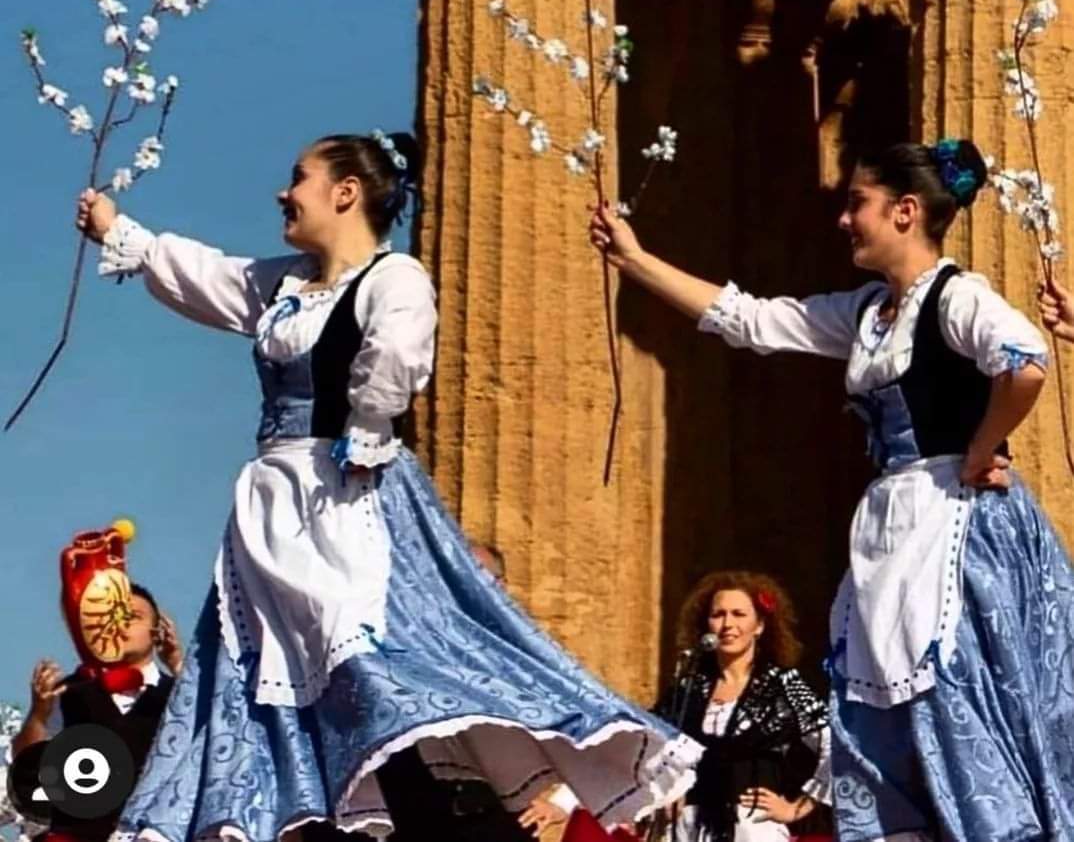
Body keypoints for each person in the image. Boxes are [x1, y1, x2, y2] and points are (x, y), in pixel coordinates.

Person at [75, 131, 700, 842]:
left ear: (346, 192)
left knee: (368, 668)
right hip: (271, 510)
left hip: (348, 499)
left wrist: (369, 424)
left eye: (299, 177)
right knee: (275, 686)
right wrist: (118, 230)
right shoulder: (281, 286)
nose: (285, 192)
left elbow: (397, 353)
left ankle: (455, 821)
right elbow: (209, 274)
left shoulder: (391, 277)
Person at [589, 138, 1074, 841]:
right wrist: (636, 262)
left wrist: (978, 447)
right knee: (885, 712)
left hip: (956, 526)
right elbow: (751, 319)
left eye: (858, 203)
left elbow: (1025, 361)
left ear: (906, 212)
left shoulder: (956, 295)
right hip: (892, 529)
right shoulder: (868, 313)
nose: (844, 219)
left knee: (959, 705)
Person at [654, 572, 829, 842]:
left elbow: (837, 748)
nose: (727, 624)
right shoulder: (688, 689)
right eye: (718, 614)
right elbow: (648, 742)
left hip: (753, 828)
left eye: (739, 614)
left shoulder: (782, 686)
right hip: (690, 829)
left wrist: (796, 808)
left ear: (759, 626)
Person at [10, 585, 183, 842]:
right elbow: (29, 769)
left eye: (132, 616)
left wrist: (179, 666)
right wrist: (38, 713)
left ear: (158, 633)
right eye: (110, 616)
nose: (120, 624)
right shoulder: (69, 692)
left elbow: (213, 741)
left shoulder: (179, 694)